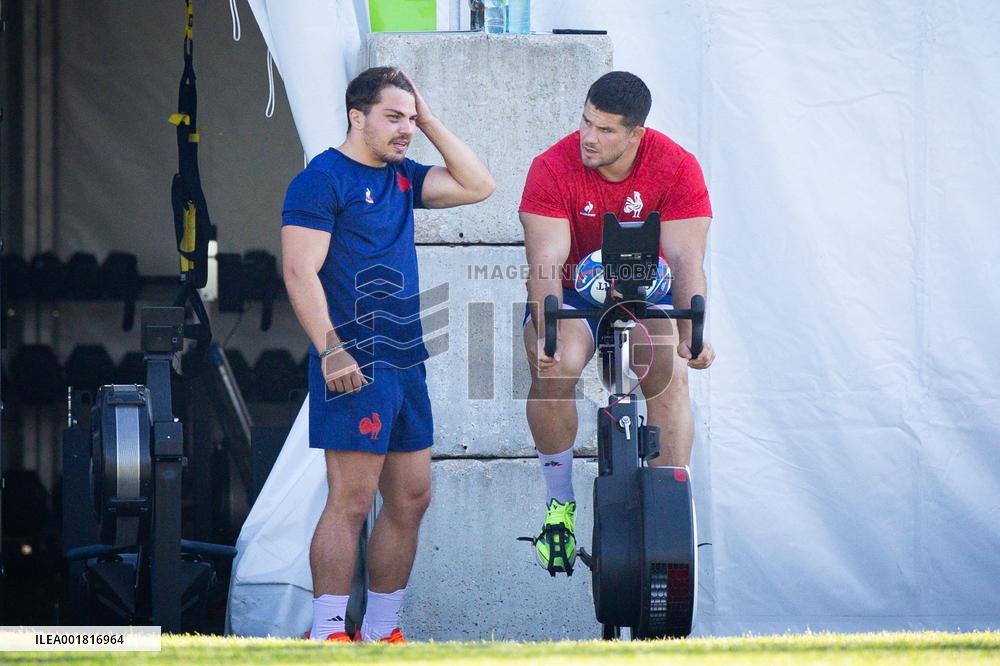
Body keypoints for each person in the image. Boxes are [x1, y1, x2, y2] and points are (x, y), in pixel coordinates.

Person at [281, 66, 494, 642]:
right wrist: (330, 350)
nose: (406, 129)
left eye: (410, 118)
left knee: (412, 497)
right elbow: (299, 271)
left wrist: (428, 118)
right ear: (357, 117)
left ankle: (382, 633)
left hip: (407, 359)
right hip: (352, 360)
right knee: (349, 502)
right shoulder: (322, 179)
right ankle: (326, 633)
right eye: (393, 117)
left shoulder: (403, 175)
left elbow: (479, 184)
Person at [519, 71, 716, 574]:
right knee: (554, 364)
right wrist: (545, 328)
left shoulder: (675, 166)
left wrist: (694, 332)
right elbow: (544, 261)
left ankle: (670, 507)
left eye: (605, 130)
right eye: (586, 121)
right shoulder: (551, 167)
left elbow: (687, 258)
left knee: (669, 370)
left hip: (645, 292)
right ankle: (559, 509)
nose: (588, 137)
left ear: (636, 134)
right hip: (572, 294)